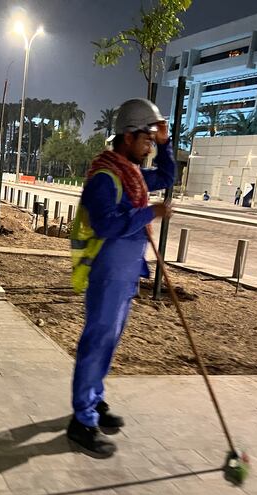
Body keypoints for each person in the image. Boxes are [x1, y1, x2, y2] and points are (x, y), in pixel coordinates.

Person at [67, 98, 176, 458]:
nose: (148, 146)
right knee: (96, 342)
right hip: (106, 272)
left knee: (109, 343)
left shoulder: (131, 175)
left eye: (151, 141)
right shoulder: (105, 177)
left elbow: (166, 177)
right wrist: (149, 214)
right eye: (146, 139)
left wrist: (166, 145)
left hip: (126, 273)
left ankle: (94, 400)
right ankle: (81, 421)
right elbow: (106, 223)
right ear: (127, 137)